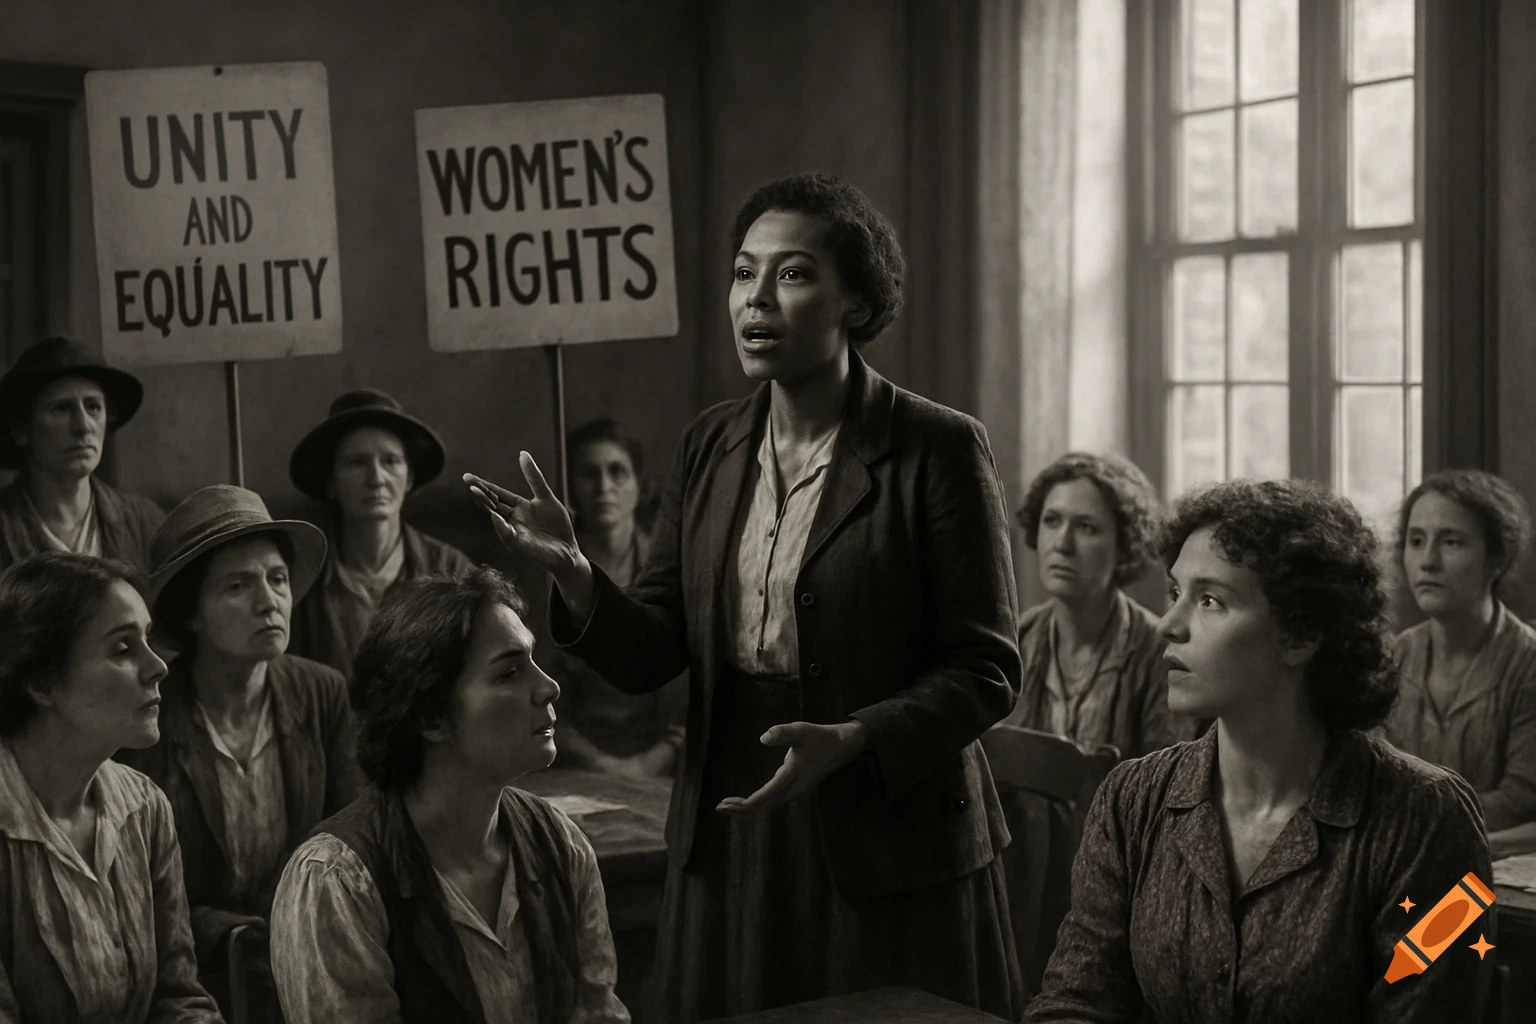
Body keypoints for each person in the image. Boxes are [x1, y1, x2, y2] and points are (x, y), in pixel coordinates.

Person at [467, 172, 1024, 1021]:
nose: (756, 298)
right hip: (734, 825)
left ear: (857, 302)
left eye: (792, 274)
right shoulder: (712, 443)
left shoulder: (936, 447)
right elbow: (655, 648)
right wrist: (576, 571)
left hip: (887, 837)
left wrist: (855, 738)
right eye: (743, 272)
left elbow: (988, 668)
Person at [1027, 479, 1493, 1023]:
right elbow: (1075, 1000)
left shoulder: (1430, 820)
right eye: (1175, 594)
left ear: (1300, 635)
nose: (1170, 626)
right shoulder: (1131, 799)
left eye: (1210, 601)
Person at [269, 568, 629, 1024]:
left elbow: (598, 1014)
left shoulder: (560, 844)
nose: (548, 687)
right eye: (509, 673)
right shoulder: (336, 882)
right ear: (432, 717)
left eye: (534, 661)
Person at [116, 484, 358, 1021]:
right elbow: (142, 891)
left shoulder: (321, 693)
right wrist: (236, 938)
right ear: (193, 613)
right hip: (190, 979)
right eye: (237, 585)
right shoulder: (153, 708)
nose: (269, 601)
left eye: (278, 579)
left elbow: (352, 842)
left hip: (309, 962)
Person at [0, 551, 220, 1022]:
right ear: (41, 682)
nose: (158, 667)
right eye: (123, 649)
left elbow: (179, 997)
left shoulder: (145, 807)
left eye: (148, 639)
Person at [1382, 469, 1536, 858]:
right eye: (1416, 541)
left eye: (1451, 542)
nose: (1428, 562)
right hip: (1402, 858)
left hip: (1490, 868)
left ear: (1496, 559)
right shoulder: (1395, 656)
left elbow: (1521, 798)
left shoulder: (1527, 663)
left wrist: (1415, 820)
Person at [999, 451, 1191, 758]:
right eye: (1052, 521)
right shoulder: (1014, 643)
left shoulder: (1160, 656)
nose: (1062, 544)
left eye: (1086, 527)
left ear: (1124, 544)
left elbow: (1168, 775)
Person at [288, 389, 475, 676]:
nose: (376, 479)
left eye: (390, 461)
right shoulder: (302, 579)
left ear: (409, 478)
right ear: (331, 483)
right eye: (356, 463)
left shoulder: (451, 571)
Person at [546, 417, 686, 778]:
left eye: (617, 472)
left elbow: (689, 684)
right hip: (568, 759)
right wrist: (599, 764)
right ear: (571, 487)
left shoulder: (671, 567)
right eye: (588, 474)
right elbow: (540, 684)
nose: (603, 487)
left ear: (640, 484)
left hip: (663, 759)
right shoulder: (547, 571)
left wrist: (654, 759)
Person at [0, 336, 165, 571]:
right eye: (61, 408)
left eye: (93, 407)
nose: (83, 426)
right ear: (21, 430)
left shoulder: (144, 523)